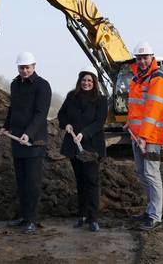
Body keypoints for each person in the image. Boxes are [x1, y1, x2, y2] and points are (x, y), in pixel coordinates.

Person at [0, 52, 52, 234]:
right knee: (21, 181)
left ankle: (31, 219)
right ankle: (23, 216)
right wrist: (6, 126)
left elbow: (40, 114)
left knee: (32, 182)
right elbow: (13, 108)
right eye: (21, 68)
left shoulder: (42, 86)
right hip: (17, 141)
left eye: (27, 67)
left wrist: (28, 134)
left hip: (34, 142)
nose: (24, 71)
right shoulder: (15, 84)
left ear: (34, 66)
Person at [124, 41, 163, 231]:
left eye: (145, 57)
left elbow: (153, 109)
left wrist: (143, 136)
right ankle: (150, 209)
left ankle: (155, 216)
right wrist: (129, 122)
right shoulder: (138, 78)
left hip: (150, 137)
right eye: (139, 58)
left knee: (151, 174)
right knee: (142, 174)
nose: (142, 61)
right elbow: (137, 106)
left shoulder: (158, 78)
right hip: (138, 135)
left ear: (152, 58)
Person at [57, 66, 108, 232]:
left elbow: (99, 123)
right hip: (73, 145)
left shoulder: (101, 100)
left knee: (91, 181)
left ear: (95, 82)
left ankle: (93, 218)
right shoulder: (72, 96)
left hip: (91, 146)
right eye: (84, 80)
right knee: (80, 181)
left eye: (90, 80)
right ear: (80, 81)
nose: (86, 83)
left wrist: (84, 134)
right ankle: (83, 215)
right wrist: (67, 124)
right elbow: (61, 115)